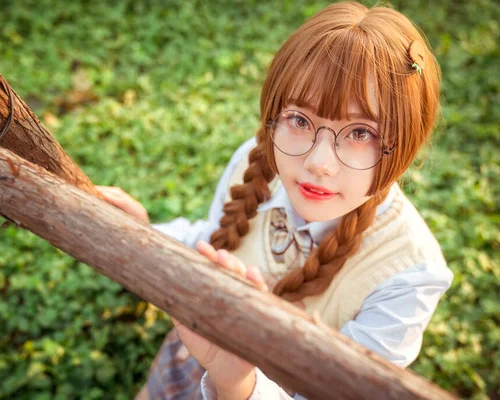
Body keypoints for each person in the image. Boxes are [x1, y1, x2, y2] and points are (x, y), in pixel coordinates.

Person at [96, 2, 454, 399]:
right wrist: (141, 234)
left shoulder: (409, 274)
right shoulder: (255, 162)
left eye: (360, 133)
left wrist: (235, 382)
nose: (318, 165)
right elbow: (213, 239)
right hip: (190, 358)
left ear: (404, 143)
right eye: (300, 120)